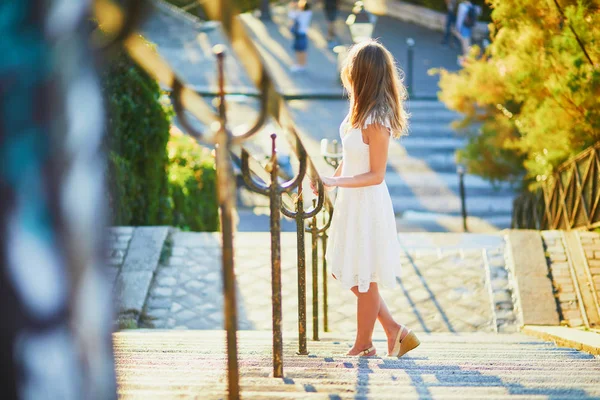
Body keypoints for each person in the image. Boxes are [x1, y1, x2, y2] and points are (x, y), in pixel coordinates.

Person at [311, 40, 420, 357]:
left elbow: (376, 174)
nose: (346, 76)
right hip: (351, 201)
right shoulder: (359, 109)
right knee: (353, 272)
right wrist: (332, 180)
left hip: (367, 202)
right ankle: (394, 332)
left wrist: (337, 180)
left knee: (363, 275)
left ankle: (365, 344)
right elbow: (351, 155)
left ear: (363, 75)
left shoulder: (377, 118)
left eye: (351, 71)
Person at [288, 0, 313, 72]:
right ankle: (302, 64)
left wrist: (293, 6)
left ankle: (300, 65)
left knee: (299, 50)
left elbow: (291, 14)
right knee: (302, 50)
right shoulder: (308, 13)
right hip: (303, 34)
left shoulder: (301, 14)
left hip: (299, 34)